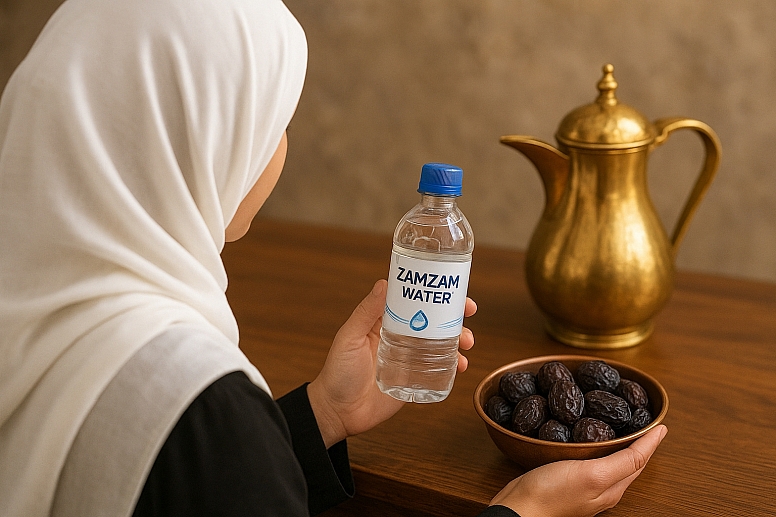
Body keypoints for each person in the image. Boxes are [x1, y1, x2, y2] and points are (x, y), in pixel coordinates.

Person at [0, 0, 666, 515]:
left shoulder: (36, 328)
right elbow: (204, 460)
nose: (279, 146)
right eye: (268, 118)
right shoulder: (194, 404)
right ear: (194, 135)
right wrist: (521, 509)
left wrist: (321, 411)